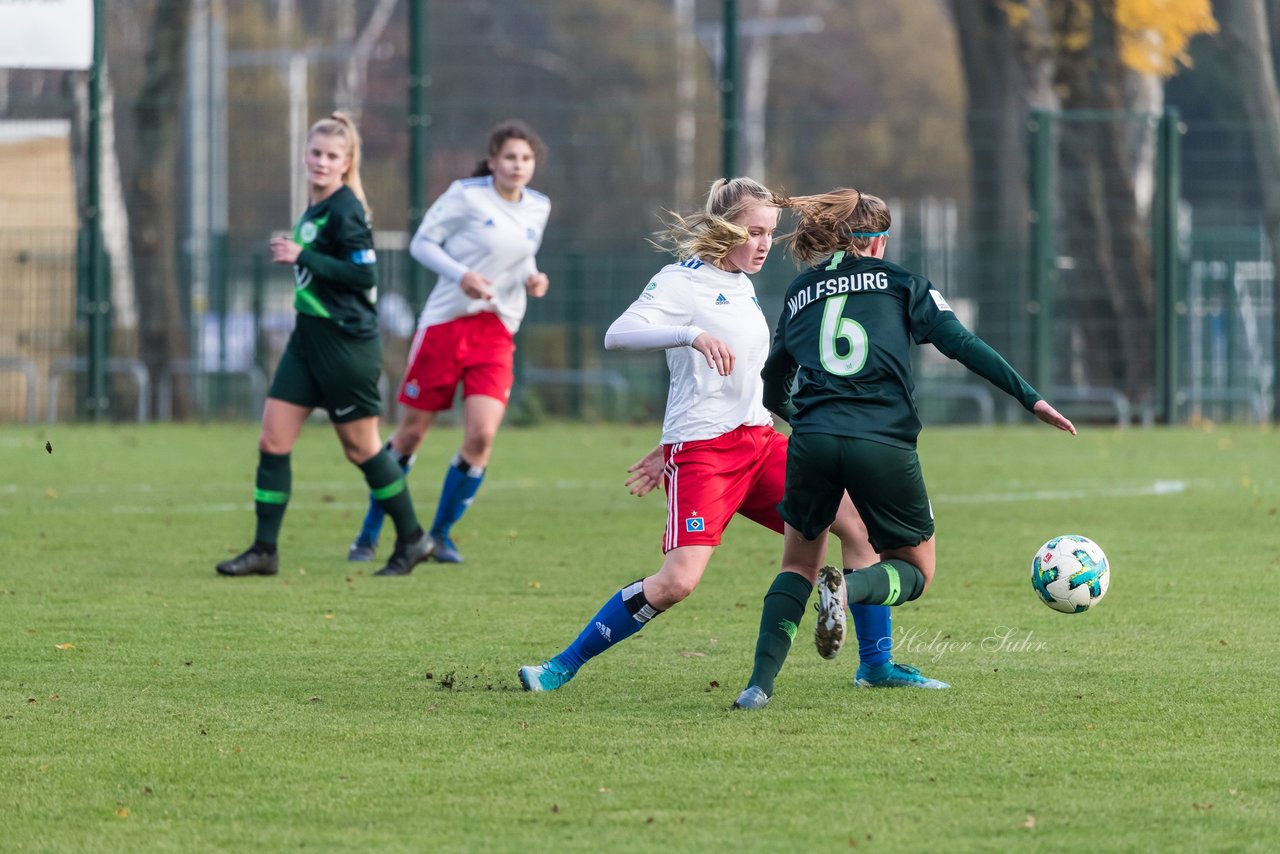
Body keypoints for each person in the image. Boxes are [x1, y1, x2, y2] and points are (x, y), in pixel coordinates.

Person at [516, 177, 944, 698]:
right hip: (706, 455)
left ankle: (876, 665)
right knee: (677, 583)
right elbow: (619, 334)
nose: (765, 244)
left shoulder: (742, 282)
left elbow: (742, 379)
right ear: (724, 228)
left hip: (761, 444)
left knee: (859, 529)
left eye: (770, 233)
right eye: (755, 232)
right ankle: (561, 666)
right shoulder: (680, 280)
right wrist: (690, 337)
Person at [731, 187, 1077, 708]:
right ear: (879, 242)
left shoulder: (802, 289)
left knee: (797, 564)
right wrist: (1031, 399)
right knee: (914, 570)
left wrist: (800, 417)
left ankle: (758, 687)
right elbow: (961, 344)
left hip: (813, 440)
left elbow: (773, 376)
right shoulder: (902, 284)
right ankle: (847, 594)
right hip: (881, 441)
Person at [216, 112, 434, 579]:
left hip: (344, 344)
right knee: (272, 439)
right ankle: (264, 551)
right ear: (304, 154)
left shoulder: (346, 208)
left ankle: (414, 538)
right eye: (315, 152)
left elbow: (364, 275)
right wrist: (301, 256)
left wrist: (303, 256)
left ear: (347, 161)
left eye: (332, 155)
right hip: (307, 340)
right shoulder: (316, 208)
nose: (321, 161)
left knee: (362, 450)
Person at [346, 119, 552, 569]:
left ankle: (438, 536)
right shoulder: (466, 195)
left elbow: (520, 254)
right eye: (510, 157)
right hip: (446, 325)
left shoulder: (539, 207)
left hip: (496, 330)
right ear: (494, 161)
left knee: (481, 436)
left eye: (526, 158)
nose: (518, 165)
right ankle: (370, 531)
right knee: (411, 434)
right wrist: (462, 275)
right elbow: (422, 244)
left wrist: (532, 278)